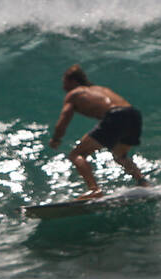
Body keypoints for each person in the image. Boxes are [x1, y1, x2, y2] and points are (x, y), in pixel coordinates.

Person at [47, 64, 149, 199]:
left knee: (77, 154)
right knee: (120, 156)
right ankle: (143, 182)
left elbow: (64, 118)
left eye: (65, 83)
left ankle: (94, 190)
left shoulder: (74, 94)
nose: (63, 87)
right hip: (134, 114)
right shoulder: (100, 89)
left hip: (115, 116)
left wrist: (56, 139)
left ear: (73, 81)